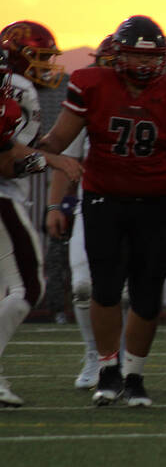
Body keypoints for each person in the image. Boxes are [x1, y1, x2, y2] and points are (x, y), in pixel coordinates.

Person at [37, 15, 166, 407]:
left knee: (147, 295)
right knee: (105, 289)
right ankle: (108, 369)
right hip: (103, 201)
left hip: (155, 203)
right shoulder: (91, 85)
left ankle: (135, 375)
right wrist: (26, 152)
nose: (145, 65)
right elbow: (59, 139)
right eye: (136, 57)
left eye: (153, 58)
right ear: (118, 54)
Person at [0, 44, 81, 407]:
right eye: (42, 56)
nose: (47, 65)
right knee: (28, 287)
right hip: (3, 196)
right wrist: (52, 161)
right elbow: (8, 163)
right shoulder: (17, 89)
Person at [46, 35, 120, 390]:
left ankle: (124, 362)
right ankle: (95, 355)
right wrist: (54, 205)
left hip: (141, 210)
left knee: (125, 291)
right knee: (82, 286)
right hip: (94, 207)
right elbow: (65, 160)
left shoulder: (157, 100)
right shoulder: (89, 99)